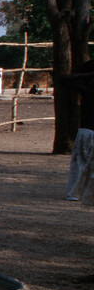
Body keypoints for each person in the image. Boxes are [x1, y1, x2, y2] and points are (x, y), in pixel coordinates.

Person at [60, 59, 94, 203]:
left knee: (81, 163)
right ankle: (77, 193)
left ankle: (76, 193)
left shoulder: (87, 91)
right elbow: (65, 80)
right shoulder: (88, 92)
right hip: (87, 129)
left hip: (87, 129)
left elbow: (65, 80)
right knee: (82, 163)